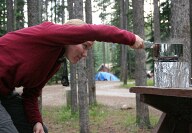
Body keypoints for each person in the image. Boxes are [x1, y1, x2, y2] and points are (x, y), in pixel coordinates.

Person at [0, 19, 144, 133]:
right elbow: (96, 31)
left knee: (39, 129)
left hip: (4, 94)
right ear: (71, 36)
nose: (85, 54)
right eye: (85, 46)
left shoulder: (55, 61)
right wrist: (130, 38)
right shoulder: (49, 33)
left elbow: (31, 94)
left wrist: (35, 121)